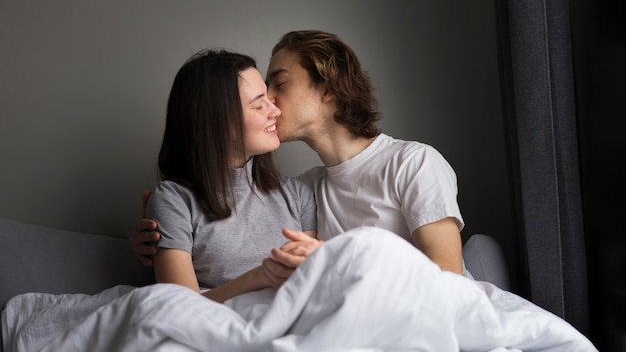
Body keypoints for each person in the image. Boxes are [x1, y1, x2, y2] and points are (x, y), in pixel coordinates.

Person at [133, 30, 464, 276]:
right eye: (261, 95)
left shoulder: (413, 163)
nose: (270, 102)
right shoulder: (306, 190)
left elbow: (447, 277)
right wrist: (160, 240)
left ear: (329, 89)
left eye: (279, 84)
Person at [144, 49, 318, 303]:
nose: (275, 111)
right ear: (217, 120)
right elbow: (179, 307)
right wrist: (259, 277)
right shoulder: (174, 201)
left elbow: (309, 287)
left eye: (270, 99)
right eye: (259, 105)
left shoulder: (298, 196)